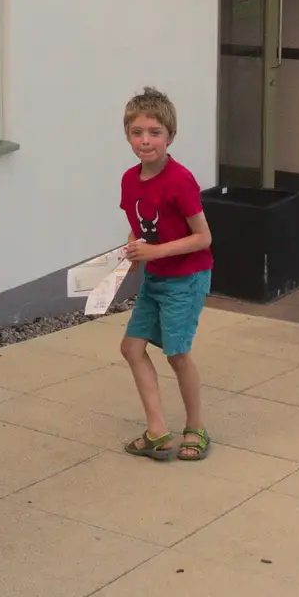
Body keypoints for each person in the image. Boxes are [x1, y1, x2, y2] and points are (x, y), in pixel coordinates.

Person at [118, 87, 214, 461]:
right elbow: (138, 227)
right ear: (128, 135)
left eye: (154, 132)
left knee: (177, 354)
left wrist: (154, 251)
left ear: (170, 136)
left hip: (186, 279)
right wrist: (131, 249)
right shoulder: (129, 180)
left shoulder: (180, 181)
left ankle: (197, 427)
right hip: (155, 279)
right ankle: (157, 431)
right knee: (131, 348)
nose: (146, 140)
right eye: (138, 132)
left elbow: (203, 238)